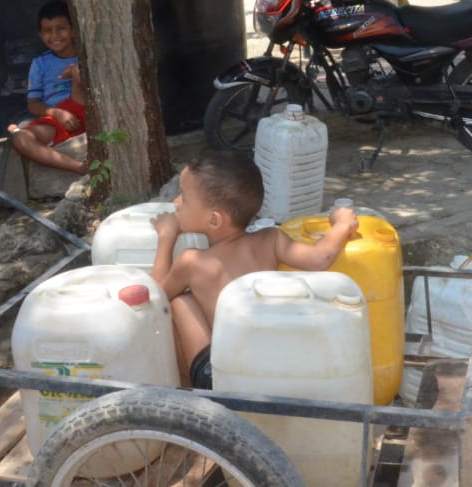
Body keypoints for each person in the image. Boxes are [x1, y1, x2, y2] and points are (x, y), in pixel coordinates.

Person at [151, 151, 358, 389]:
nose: (176, 203)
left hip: (224, 378)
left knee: (179, 302)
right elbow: (322, 257)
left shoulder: (192, 262)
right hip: (273, 366)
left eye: (184, 199)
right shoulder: (271, 239)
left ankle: (187, 390)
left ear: (215, 220)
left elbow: (156, 299)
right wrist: (343, 224)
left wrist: (166, 237)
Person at [7, 0, 88, 175]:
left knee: (78, 73)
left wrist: (76, 73)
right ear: (40, 35)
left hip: (87, 110)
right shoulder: (40, 63)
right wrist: (58, 113)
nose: (55, 35)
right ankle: (80, 167)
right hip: (58, 118)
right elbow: (33, 104)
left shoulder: (87, 55)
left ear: (73, 30)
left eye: (61, 28)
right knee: (19, 139)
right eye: (48, 31)